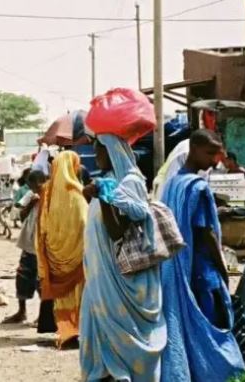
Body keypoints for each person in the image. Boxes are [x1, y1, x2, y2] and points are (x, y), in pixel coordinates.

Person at [159, 129, 245, 381]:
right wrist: (222, 269)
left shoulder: (173, 183)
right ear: (193, 149)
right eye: (209, 154)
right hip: (204, 271)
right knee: (214, 327)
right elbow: (205, 234)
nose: (214, 161)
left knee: (189, 326)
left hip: (179, 268)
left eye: (217, 155)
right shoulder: (197, 187)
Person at [79, 135, 166, 381]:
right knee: (98, 330)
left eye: (100, 153)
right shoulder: (107, 181)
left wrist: (104, 196)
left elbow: (117, 231)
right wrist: (94, 194)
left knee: (121, 335)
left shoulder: (129, 183)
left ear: (113, 152)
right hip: (100, 275)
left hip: (120, 277)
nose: (96, 158)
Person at [35, 151, 88, 348]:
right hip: (77, 256)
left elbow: (41, 226)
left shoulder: (47, 192)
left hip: (54, 255)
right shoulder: (77, 193)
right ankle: (77, 330)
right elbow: (84, 222)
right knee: (77, 294)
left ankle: (65, 331)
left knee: (62, 299)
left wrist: (46, 252)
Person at [2, 170, 46, 324]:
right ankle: (22, 312)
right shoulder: (31, 195)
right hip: (28, 244)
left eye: (35, 186)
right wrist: (31, 204)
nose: (33, 189)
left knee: (42, 283)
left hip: (42, 247)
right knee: (22, 278)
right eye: (30, 186)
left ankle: (43, 315)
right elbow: (20, 216)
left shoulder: (51, 196)